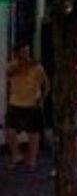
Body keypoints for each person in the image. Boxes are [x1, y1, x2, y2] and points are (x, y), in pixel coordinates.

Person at [5, 43, 49, 171]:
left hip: (31, 103)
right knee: (9, 131)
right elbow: (10, 76)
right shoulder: (12, 65)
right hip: (15, 102)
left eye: (28, 52)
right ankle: (16, 155)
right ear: (17, 53)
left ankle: (32, 160)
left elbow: (46, 84)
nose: (26, 55)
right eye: (23, 52)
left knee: (33, 133)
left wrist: (41, 99)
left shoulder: (36, 67)